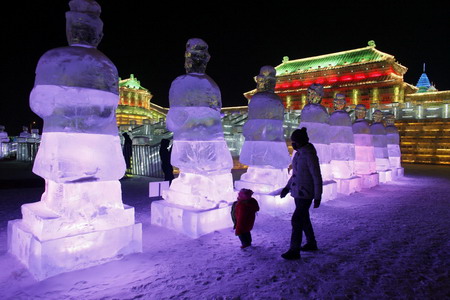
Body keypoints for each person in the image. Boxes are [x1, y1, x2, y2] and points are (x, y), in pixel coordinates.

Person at [280, 127, 323, 260]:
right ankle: (311, 243)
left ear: (300, 141)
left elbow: (317, 176)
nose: (292, 144)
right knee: (304, 219)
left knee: (297, 219)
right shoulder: (298, 154)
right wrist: (287, 188)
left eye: (294, 141)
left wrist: (317, 196)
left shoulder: (309, 155)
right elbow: (295, 175)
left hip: (306, 193)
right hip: (297, 191)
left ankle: (294, 250)